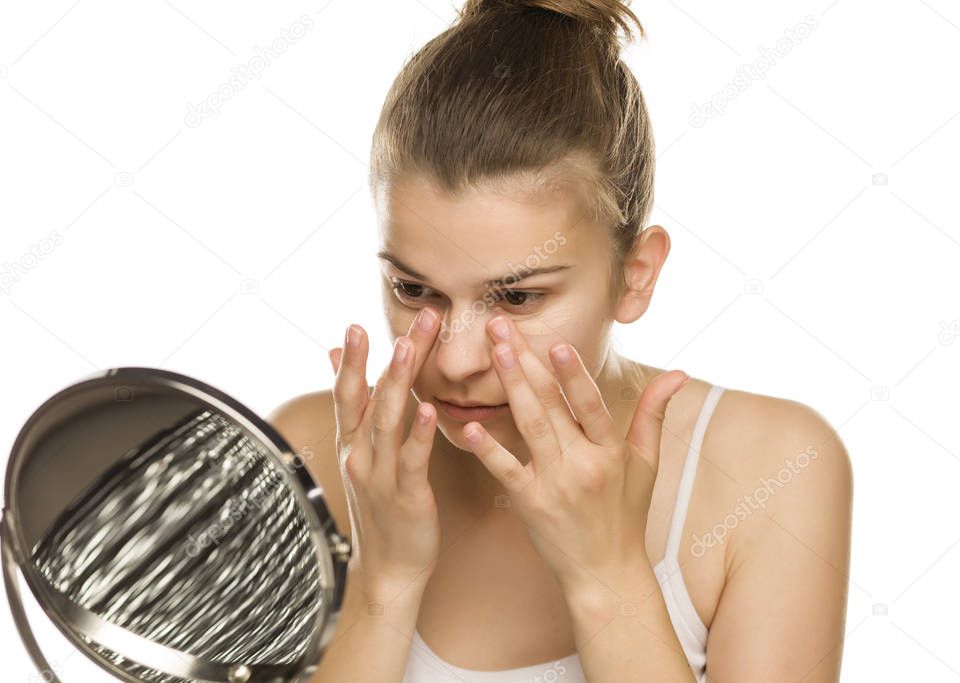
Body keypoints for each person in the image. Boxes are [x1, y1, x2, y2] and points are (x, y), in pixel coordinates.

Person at [268, 1, 853, 680]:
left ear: (635, 276)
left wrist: (606, 573)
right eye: (414, 290)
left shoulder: (771, 468)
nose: (456, 360)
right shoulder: (309, 454)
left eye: (516, 297)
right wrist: (382, 584)